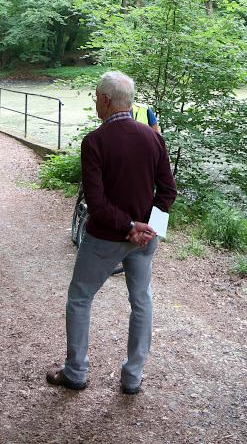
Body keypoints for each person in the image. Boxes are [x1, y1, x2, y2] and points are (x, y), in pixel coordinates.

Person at [46, 71, 176, 395]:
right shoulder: (153, 137)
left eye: (95, 97)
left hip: (105, 238)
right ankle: (132, 378)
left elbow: (96, 202)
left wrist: (130, 227)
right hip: (146, 239)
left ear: (105, 100)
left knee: (79, 298)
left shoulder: (95, 141)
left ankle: (76, 372)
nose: (95, 103)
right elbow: (168, 191)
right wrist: (150, 229)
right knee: (142, 301)